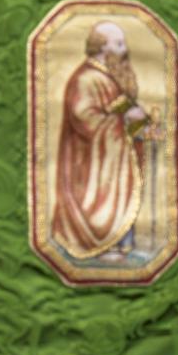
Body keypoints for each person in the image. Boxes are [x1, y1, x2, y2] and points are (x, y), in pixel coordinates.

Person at [51, 22, 151, 261]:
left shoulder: (107, 76)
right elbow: (85, 119)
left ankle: (116, 244)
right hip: (89, 162)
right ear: (102, 46)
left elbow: (119, 109)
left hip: (112, 156)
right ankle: (98, 244)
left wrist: (141, 123)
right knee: (100, 199)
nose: (125, 49)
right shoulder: (86, 78)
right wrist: (123, 119)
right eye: (118, 44)